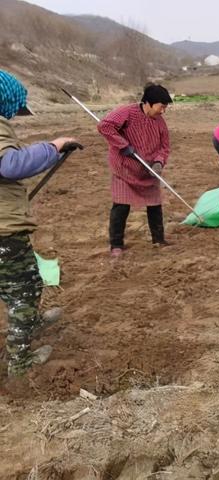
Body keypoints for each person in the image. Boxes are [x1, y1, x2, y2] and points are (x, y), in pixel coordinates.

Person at [0, 70, 79, 376]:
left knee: (15, 282)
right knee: (24, 288)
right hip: (4, 231)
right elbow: (11, 165)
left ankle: (29, 321)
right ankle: (19, 362)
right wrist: (54, 145)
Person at [97, 83, 173, 258]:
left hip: (148, 170)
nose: (163, 111)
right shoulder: (126, 112)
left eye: (165, 107)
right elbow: (104, 126)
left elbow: (165, 146)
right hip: (124, 169)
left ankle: (158, 239)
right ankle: (116, 244)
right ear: (148, 103)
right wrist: (123, 145)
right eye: (161, 106)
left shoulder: (160, 122)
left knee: (155, 205)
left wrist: (159, 163)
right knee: (121, 206)